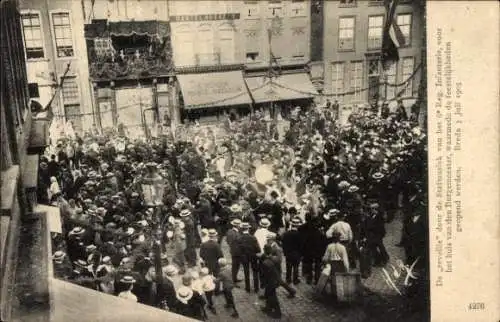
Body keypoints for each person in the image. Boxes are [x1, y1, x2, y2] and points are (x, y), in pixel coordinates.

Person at [266, 233, 296, 298]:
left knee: (278, 281)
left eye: (268, 239)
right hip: (272, 266)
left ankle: (292, 291)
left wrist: (270, 257)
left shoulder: (277, 248)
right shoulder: (270, 245)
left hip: (276, 268)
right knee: (272, 281)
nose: (267, 240)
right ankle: (266, 295)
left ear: (273, 239)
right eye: (267, 239)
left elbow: (279, 260)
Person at [236, 222, 261, 293]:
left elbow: (238, 250)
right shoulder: (253, 237)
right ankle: (256, 288)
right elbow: (258, 249)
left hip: (244, 257)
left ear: (242, 229)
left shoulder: (239, 238)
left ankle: (248, 288)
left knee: (246, 272)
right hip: (253, 256)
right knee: (255, 272)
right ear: (248, 229)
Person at [260, 244, 282, 319]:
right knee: (268, 295)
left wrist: (263, 283)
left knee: (272, 297)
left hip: (270, 282)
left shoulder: (265, 262)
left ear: (265, 251)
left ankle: (278, 313)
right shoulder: (275, 259)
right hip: (275, 280)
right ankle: (267, 308)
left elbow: (264, 275)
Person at [282, 217, 303, 285]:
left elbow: (284, 244)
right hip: (297, 253)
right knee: (296, 267)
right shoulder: (300, 234)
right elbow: (301, 245)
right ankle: (295, 279)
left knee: (289, 267)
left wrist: (285, 252)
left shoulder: (286, 234)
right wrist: (301, 254)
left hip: (288, 253)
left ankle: (288, 279)